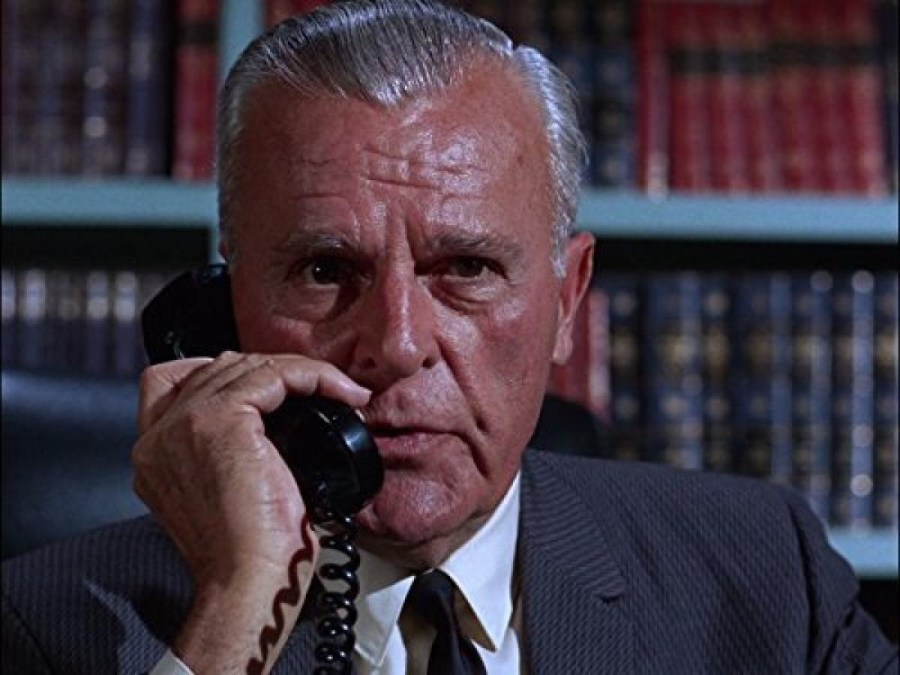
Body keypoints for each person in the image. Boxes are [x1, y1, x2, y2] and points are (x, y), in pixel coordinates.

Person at [2, 1, 897, 673]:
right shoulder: (42, 624)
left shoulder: (767, 579)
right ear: (228, 310)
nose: (396, 343)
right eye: (324, 269)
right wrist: (235, 607)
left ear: (567, 300)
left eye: (466, 267)